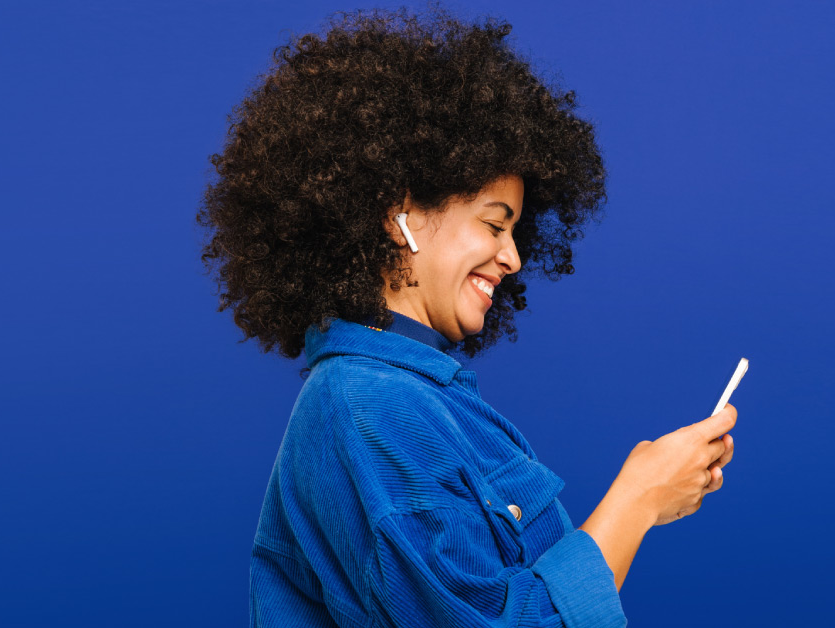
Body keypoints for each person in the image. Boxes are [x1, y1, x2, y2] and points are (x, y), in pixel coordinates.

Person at [196, 6, 736, 627]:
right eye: (493, 223)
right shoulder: (372, 408)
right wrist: (637, 499)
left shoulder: (416, 398)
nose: (513, 256)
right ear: (397, 216)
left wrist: (652, 503)